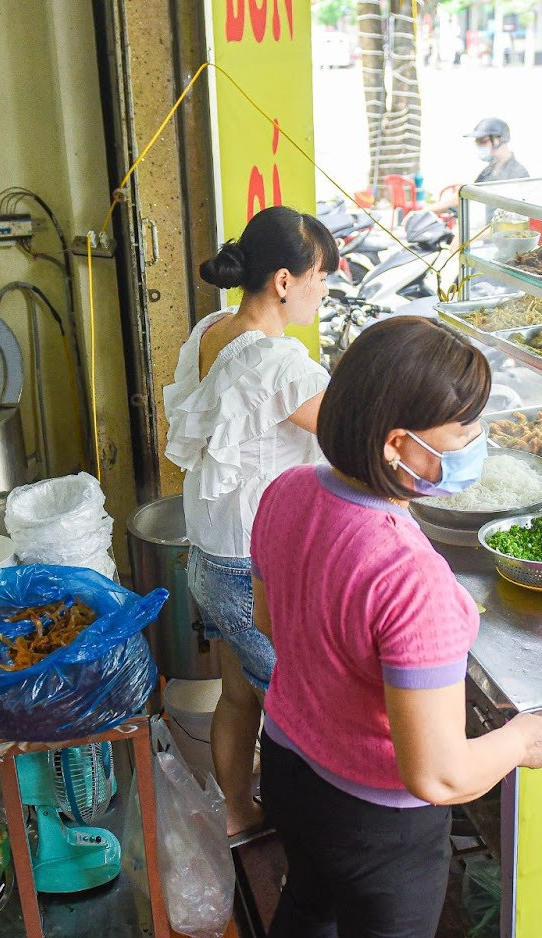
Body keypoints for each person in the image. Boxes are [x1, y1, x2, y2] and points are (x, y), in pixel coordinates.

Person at [235, 318, 542, 938]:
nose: (477, 442)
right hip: (376, 823)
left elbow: (268, 620)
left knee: (305, 905)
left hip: (288, 762)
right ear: (397, 445)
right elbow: (437, 773)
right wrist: (522, 739)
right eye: (465, 429)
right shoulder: (411, 577)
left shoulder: (286, 491)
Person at [163, 205, 337, 838]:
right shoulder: (283, 367)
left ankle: (239, 813)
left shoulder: (211, 329)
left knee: (239, 693)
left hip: (209, 556)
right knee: (297, 716)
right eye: (322, 276)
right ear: (285, 281)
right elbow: (351, 445)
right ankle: (306, 851)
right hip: (251, 570)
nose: (325, 290)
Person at [430, 117, 529, 216]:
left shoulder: (517, 175)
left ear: (499, 140)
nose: (479, 146)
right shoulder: (489, 170)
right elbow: (468, 194)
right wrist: (426, 211)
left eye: (483, 141)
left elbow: (509, 219)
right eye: (477, 142)